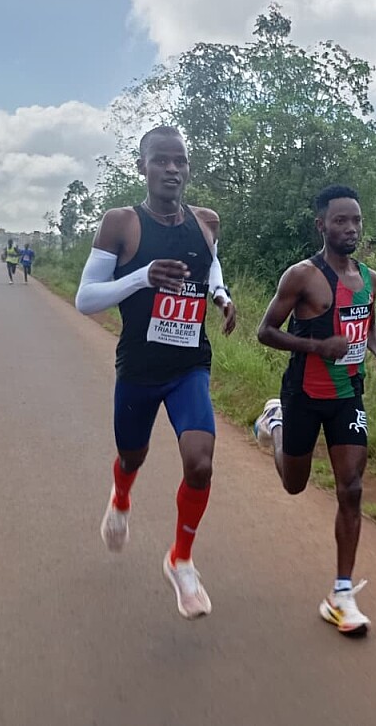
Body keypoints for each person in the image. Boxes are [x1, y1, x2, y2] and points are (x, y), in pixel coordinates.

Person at [75, 126, 236, 620]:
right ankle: (121, 497)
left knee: (200, 463)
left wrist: (220, 293)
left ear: (188, 167)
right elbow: (85, 299)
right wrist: (142, 277)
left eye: (180, 161)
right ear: (142, 166)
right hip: (140, 368)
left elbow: (210, 264)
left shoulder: (206, 221)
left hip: (189, 364)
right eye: (161, 160)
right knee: (132, 455)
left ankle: (181, 560)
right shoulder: (121, 223)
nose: (172, 169)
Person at [253, 184, 376, 636]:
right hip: (304, 393)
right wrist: (317, 346)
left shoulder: (370, 278)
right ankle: (275, 421)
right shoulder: (301, 276)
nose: (351, 228)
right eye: (340, 220)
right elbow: (265, 331)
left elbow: (369, 323)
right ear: (321, 225)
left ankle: (341, 594)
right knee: (294, 484)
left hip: (349, 394)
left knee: (351, 488)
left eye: (356, 220)